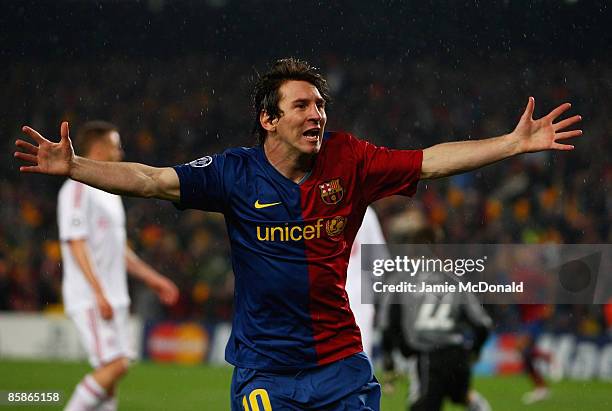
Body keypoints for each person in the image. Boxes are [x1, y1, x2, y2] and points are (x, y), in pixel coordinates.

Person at [15, 58, 581, 410]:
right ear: (269, 119)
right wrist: (75, 167)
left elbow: (430, 160)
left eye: (321, 105)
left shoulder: (350, 159)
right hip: (265, 371)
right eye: (302, 105)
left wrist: (509, 144)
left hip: (340, 365)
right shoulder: (233, 173)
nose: (317, 115)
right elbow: (149, 179)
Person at [55, 121, 179, 411]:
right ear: (98, 148)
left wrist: (154, 279)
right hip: (91, 297)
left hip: (114, 296)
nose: (120, 151)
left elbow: (118, 251)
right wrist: (98, 292)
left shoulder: (108, 192)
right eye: (115, 145)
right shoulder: (76, 188)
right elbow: (75, 243)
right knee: (116, 364)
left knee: (110, 381)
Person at [378, 229, 493, 411]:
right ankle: (476, 403)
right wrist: (475, 350)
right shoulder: (454, 279)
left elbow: (387, 323)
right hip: (457, 354)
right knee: (461, 395)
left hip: (425, 356)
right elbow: (482, 324)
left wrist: (389, 358)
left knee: (423, 405)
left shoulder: (400, 280)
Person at [345, 206, 387, 358]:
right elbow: (380, 263)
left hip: (323, 300)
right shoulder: (365, 211)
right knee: (361, 361)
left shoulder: (313, 205)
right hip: (358, 300)